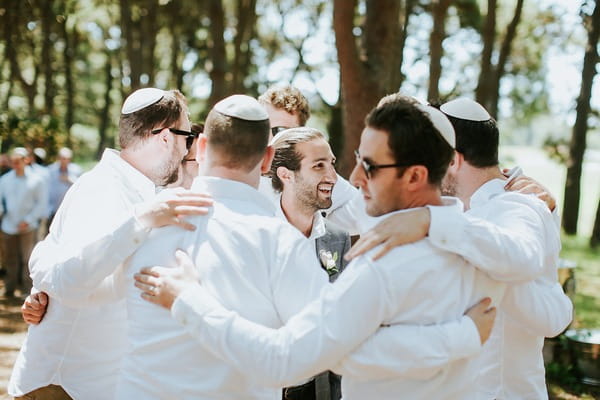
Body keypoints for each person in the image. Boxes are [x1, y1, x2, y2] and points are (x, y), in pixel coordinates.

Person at [135, 96, 503, 399]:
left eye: (369, 166)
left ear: (415, 176)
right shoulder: (493, 250)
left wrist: (187, 300)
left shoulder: (374, 264)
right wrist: (463, 335)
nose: (352, 180)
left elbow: (287, 359)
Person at [346, 98, 572, 399]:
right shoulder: (444, 211)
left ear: (452, 159)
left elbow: (552, 314)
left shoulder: (518, 208)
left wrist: (437, 226)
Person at [8, 88, 212, 400]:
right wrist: (141, 220)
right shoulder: (102, 189)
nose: (188, 150)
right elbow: (70, 279)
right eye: (187, 138)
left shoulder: (144, 195)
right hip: (64, 386)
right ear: (167, 137)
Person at [269, 127, 350, 400]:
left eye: (332, 164)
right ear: (286, 175)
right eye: (319, 166)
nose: (333, 177)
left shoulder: (338, 239)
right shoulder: (257, 235)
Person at [0, 147, 46, 298]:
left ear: (26, 160)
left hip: (28, 227)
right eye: (13, 162)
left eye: (18, 161)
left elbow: (41, 204)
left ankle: (28, 290)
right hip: (8, 225)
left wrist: (28, 220)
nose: (15, 164)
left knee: (28, 259)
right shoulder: (5, 180)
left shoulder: (36, 180)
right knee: (10, 258)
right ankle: (9, 289)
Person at [47, 147, 83, 223]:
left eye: (66, 158)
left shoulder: (77, 170)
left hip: (70, 211)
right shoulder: (50, 170)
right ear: (58, 158)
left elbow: (82, 188)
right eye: (62, 158)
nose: (64, 161)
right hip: (53, 211)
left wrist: (70, 180)